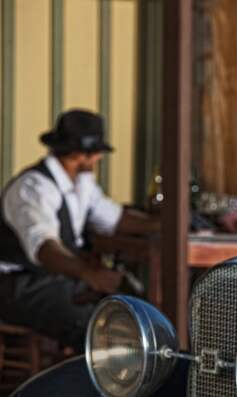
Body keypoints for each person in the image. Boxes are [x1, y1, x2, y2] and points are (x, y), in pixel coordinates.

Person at [0, 109, 160, 351]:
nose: (99, 159)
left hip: (56, 279)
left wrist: (170, 223)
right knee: (97, 326)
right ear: (80, 154)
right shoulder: (33, 188)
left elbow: (114, 218)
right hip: (19, 285)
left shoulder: (81, 182)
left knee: (132, 310)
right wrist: (88, 274)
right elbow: (44, 248)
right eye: (96, 153)